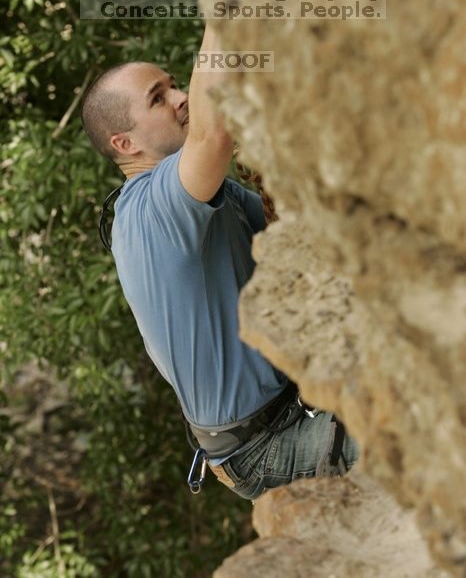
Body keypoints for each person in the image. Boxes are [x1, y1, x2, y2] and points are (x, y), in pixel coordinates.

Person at [80, 25, 359, 501]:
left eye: (174, 85)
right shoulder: (150, 209)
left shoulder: (217, 198)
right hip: (265, 448)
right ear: (125, 144)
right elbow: (213, 134)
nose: (182, 97)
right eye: (158, 98)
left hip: (296, 409)